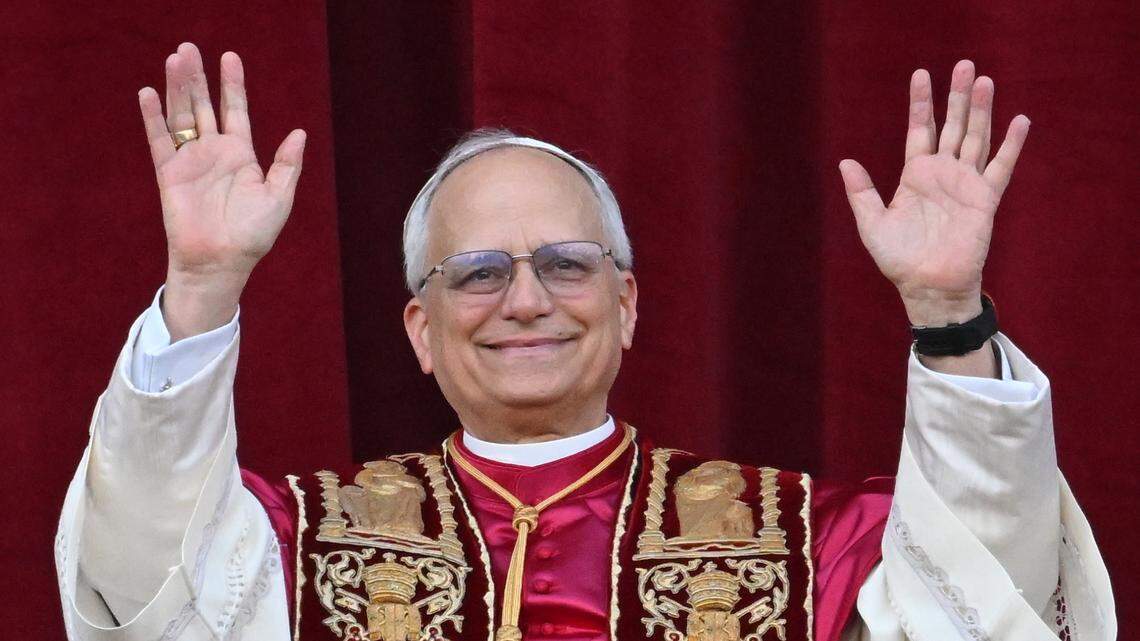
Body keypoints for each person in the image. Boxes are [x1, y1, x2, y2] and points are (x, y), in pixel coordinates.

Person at [55, 42, 1115, 641]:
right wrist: (201, 285)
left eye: (566, 262)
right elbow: (145, 582)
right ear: (419, 330)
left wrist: (948, 312)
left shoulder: (817, 546)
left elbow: (987, 601)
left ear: (630, 304)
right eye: (478, 271)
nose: (526, 300)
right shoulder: (291, 548)